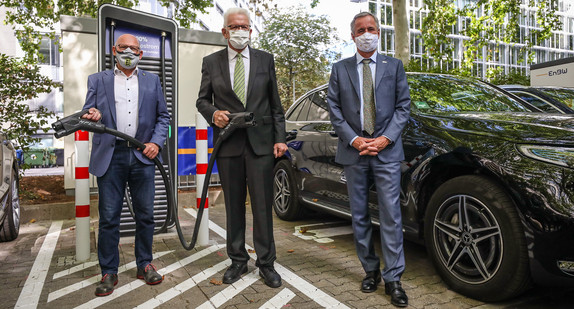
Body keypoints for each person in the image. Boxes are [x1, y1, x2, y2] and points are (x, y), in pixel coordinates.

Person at [196, 7, 287, 288]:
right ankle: (237, 260)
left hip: (261, 145)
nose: (240, 31)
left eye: (245, 27)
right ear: (225, 32)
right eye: (234, 27)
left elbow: (275, 106)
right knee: (233, 207)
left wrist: (280, 138)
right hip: (229, 145)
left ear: (250, 30)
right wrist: (213, 114)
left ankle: (266, 263)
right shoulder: (211, 62)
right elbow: (202, 100)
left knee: (262, 207)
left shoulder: (265, 60)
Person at [326, 12, 411, 307]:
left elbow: (403, 107)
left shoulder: (394, 66)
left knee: (391, 215)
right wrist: (355, 139)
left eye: (371, 28)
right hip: (354, 150)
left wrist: (385, 138)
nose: (366, 33)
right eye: (360, 30)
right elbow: (334, 109)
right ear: (352, 36)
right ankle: (370, 270)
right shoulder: (340, 68)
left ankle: (394, 278)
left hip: (386, 151)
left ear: (378, 32)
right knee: (359, 215)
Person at [81, 34, 171, 297]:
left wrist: (156, 143)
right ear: (114, 51)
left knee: (146, 215)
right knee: (109, 218)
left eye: (134, 48)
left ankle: (145, 265)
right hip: (111, 156)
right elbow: (88, 115)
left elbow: (163, 117)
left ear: (141, 54)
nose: (129, 51)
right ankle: (109, 271)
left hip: (143, 156)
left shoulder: (152, 81)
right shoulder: (98, 80)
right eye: (124, 47)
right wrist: (93, 115)